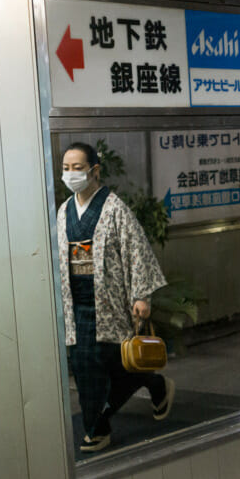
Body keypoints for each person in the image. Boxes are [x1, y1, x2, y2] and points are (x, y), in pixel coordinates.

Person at [57, 142, 176, 453]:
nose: (71, 174)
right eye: (66, 169)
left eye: (77, 168)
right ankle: (98, 429)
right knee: (83, 367)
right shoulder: (64, 211)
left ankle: (156, 386)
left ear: (95, 171)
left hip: (108, 302)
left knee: (117, 363)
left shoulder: (114, 209)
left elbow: (136, 250)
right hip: (77, 304)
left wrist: (141, 295)